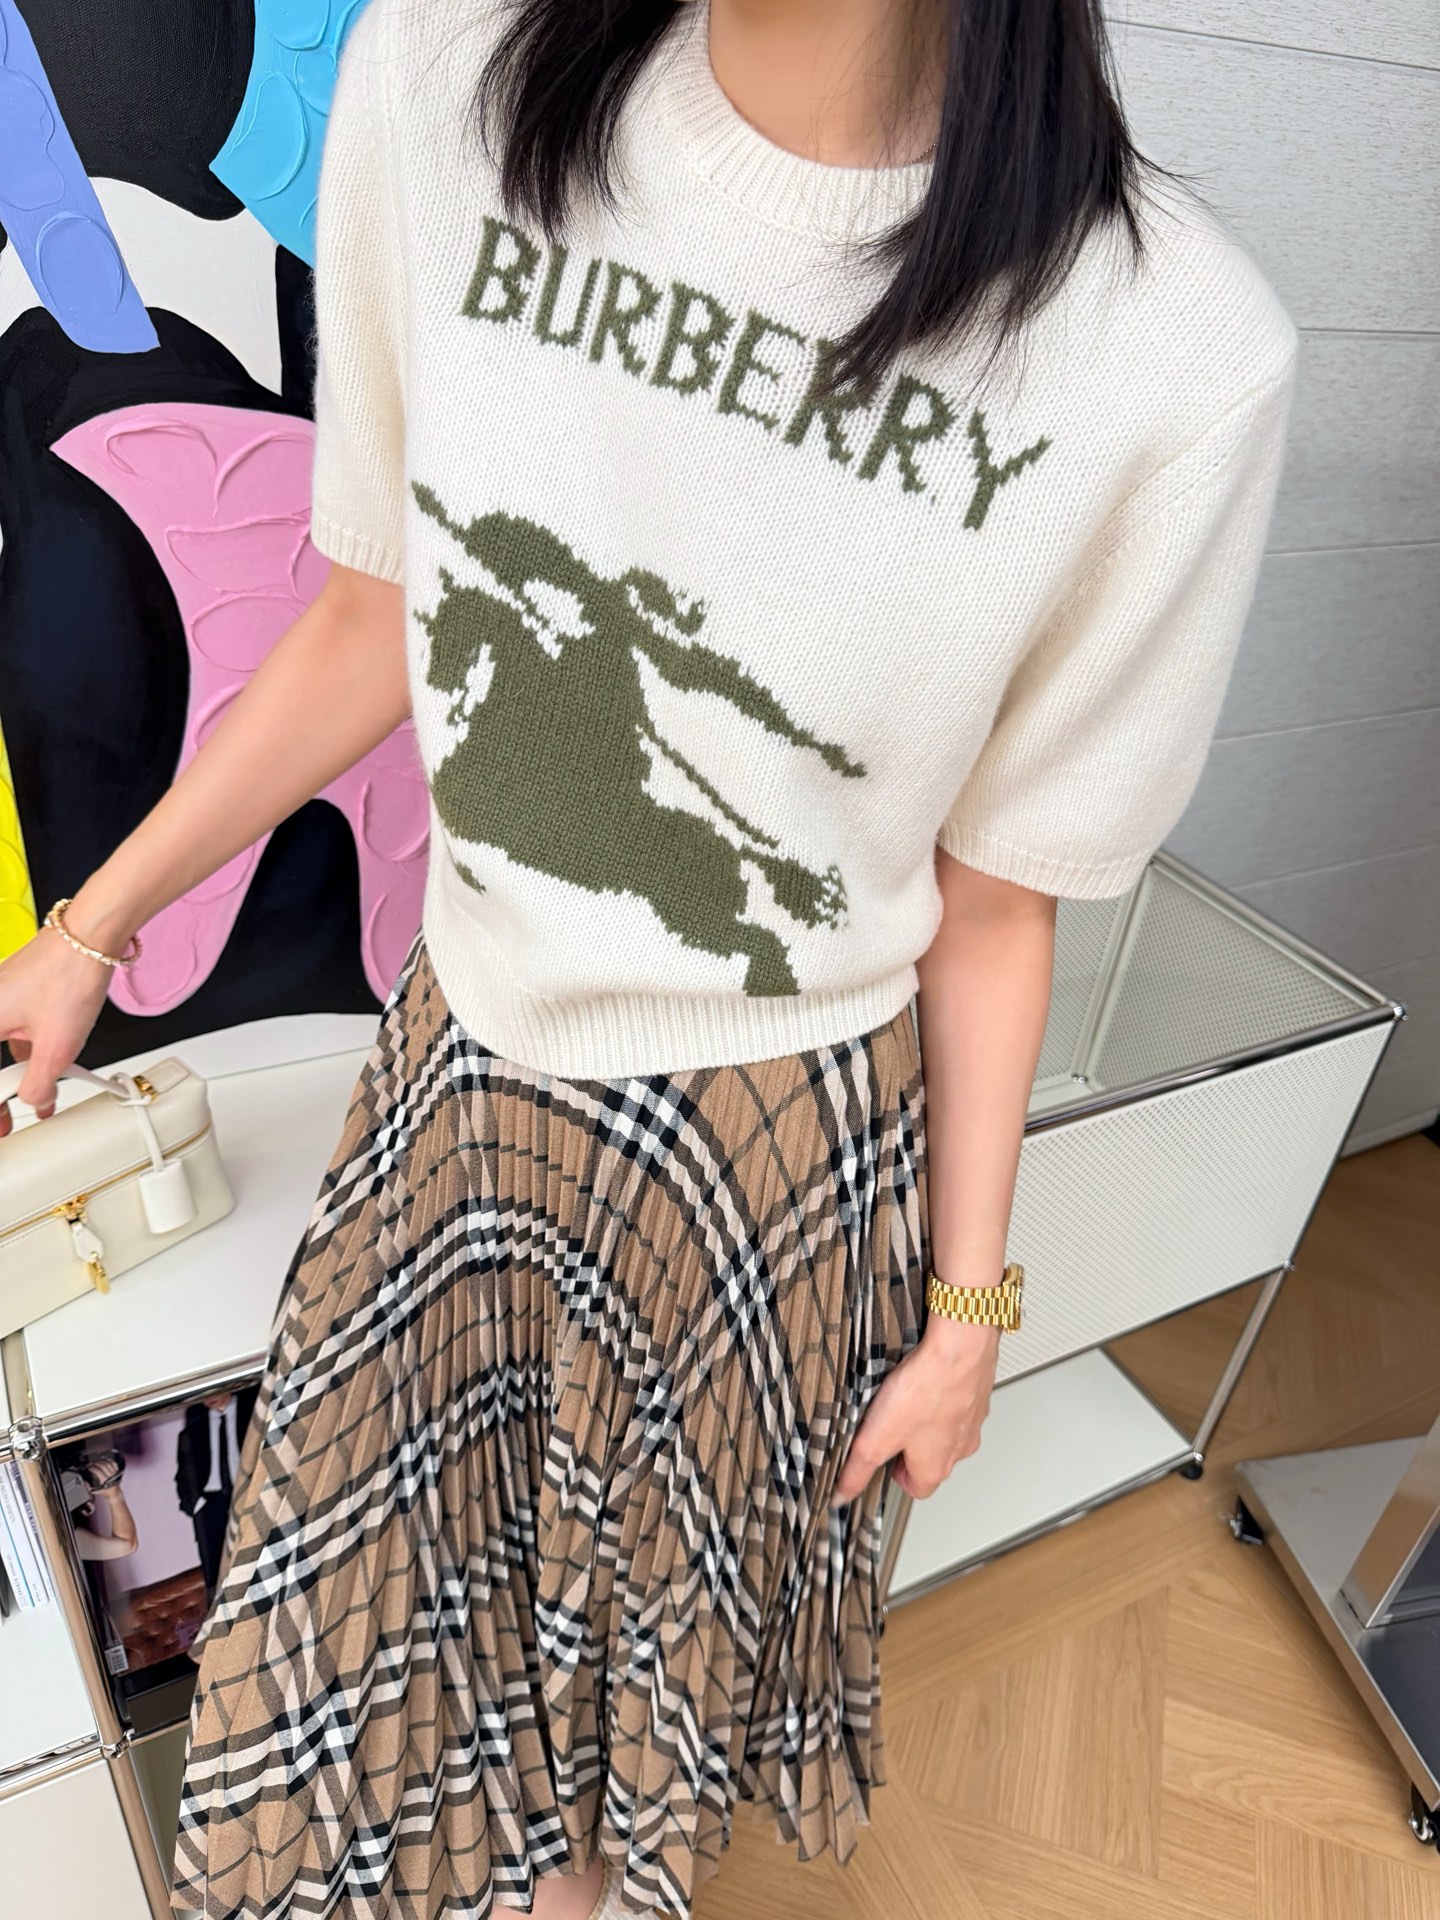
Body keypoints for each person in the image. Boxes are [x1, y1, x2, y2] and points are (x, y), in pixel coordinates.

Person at [0, 0, 1298, 1914]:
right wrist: (93, 927)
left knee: (608, 1759)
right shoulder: (446, 75)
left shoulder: (1170, 348)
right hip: (460, 1073)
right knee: (327, 1681)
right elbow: (375, 616)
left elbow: (997, 900)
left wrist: (967, 1321)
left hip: (767, 1160)